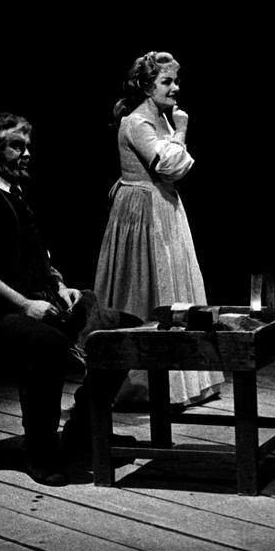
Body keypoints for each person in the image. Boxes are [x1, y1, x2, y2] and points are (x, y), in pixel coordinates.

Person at [0, 113, 138, 487]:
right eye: (17, 146)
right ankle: (40, 450)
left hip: (39, 300)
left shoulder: (14, 192)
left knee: (123, 329)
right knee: (46, 344)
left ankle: (83, 428)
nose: (27, 153)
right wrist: (25, 305)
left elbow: (38, 257)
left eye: (28, 146)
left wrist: (60, 286)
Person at [94, 51, 224, 407]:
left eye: (176, 81)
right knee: (147, 291)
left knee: (174, 283)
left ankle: (184, 381)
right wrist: (181, 130)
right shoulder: (137, 122)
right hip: (143, 211)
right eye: (167, 81)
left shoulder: (160, 117)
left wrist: (174, 128)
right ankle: (145, 385)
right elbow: (169, 165)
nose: (175, 87)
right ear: (146, 86)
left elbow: (174, 169)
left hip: (163, 205)